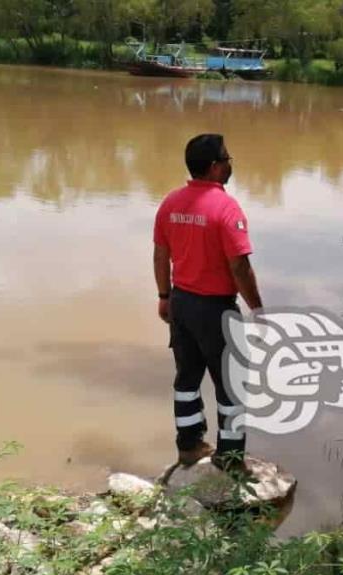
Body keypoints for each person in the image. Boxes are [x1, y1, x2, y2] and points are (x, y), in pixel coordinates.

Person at [153, 134, 263, 469]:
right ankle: (229, 458)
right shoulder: (226, 207)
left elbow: (160, 255)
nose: (231, 164)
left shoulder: (171, 202)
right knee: (230, 385)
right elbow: (239, 266)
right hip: (215, 309)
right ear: (215, 167)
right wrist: (257, 308)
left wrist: (164, 296)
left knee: (187, 379)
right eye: (228, 158)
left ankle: (189, 446)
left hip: (182, 304)